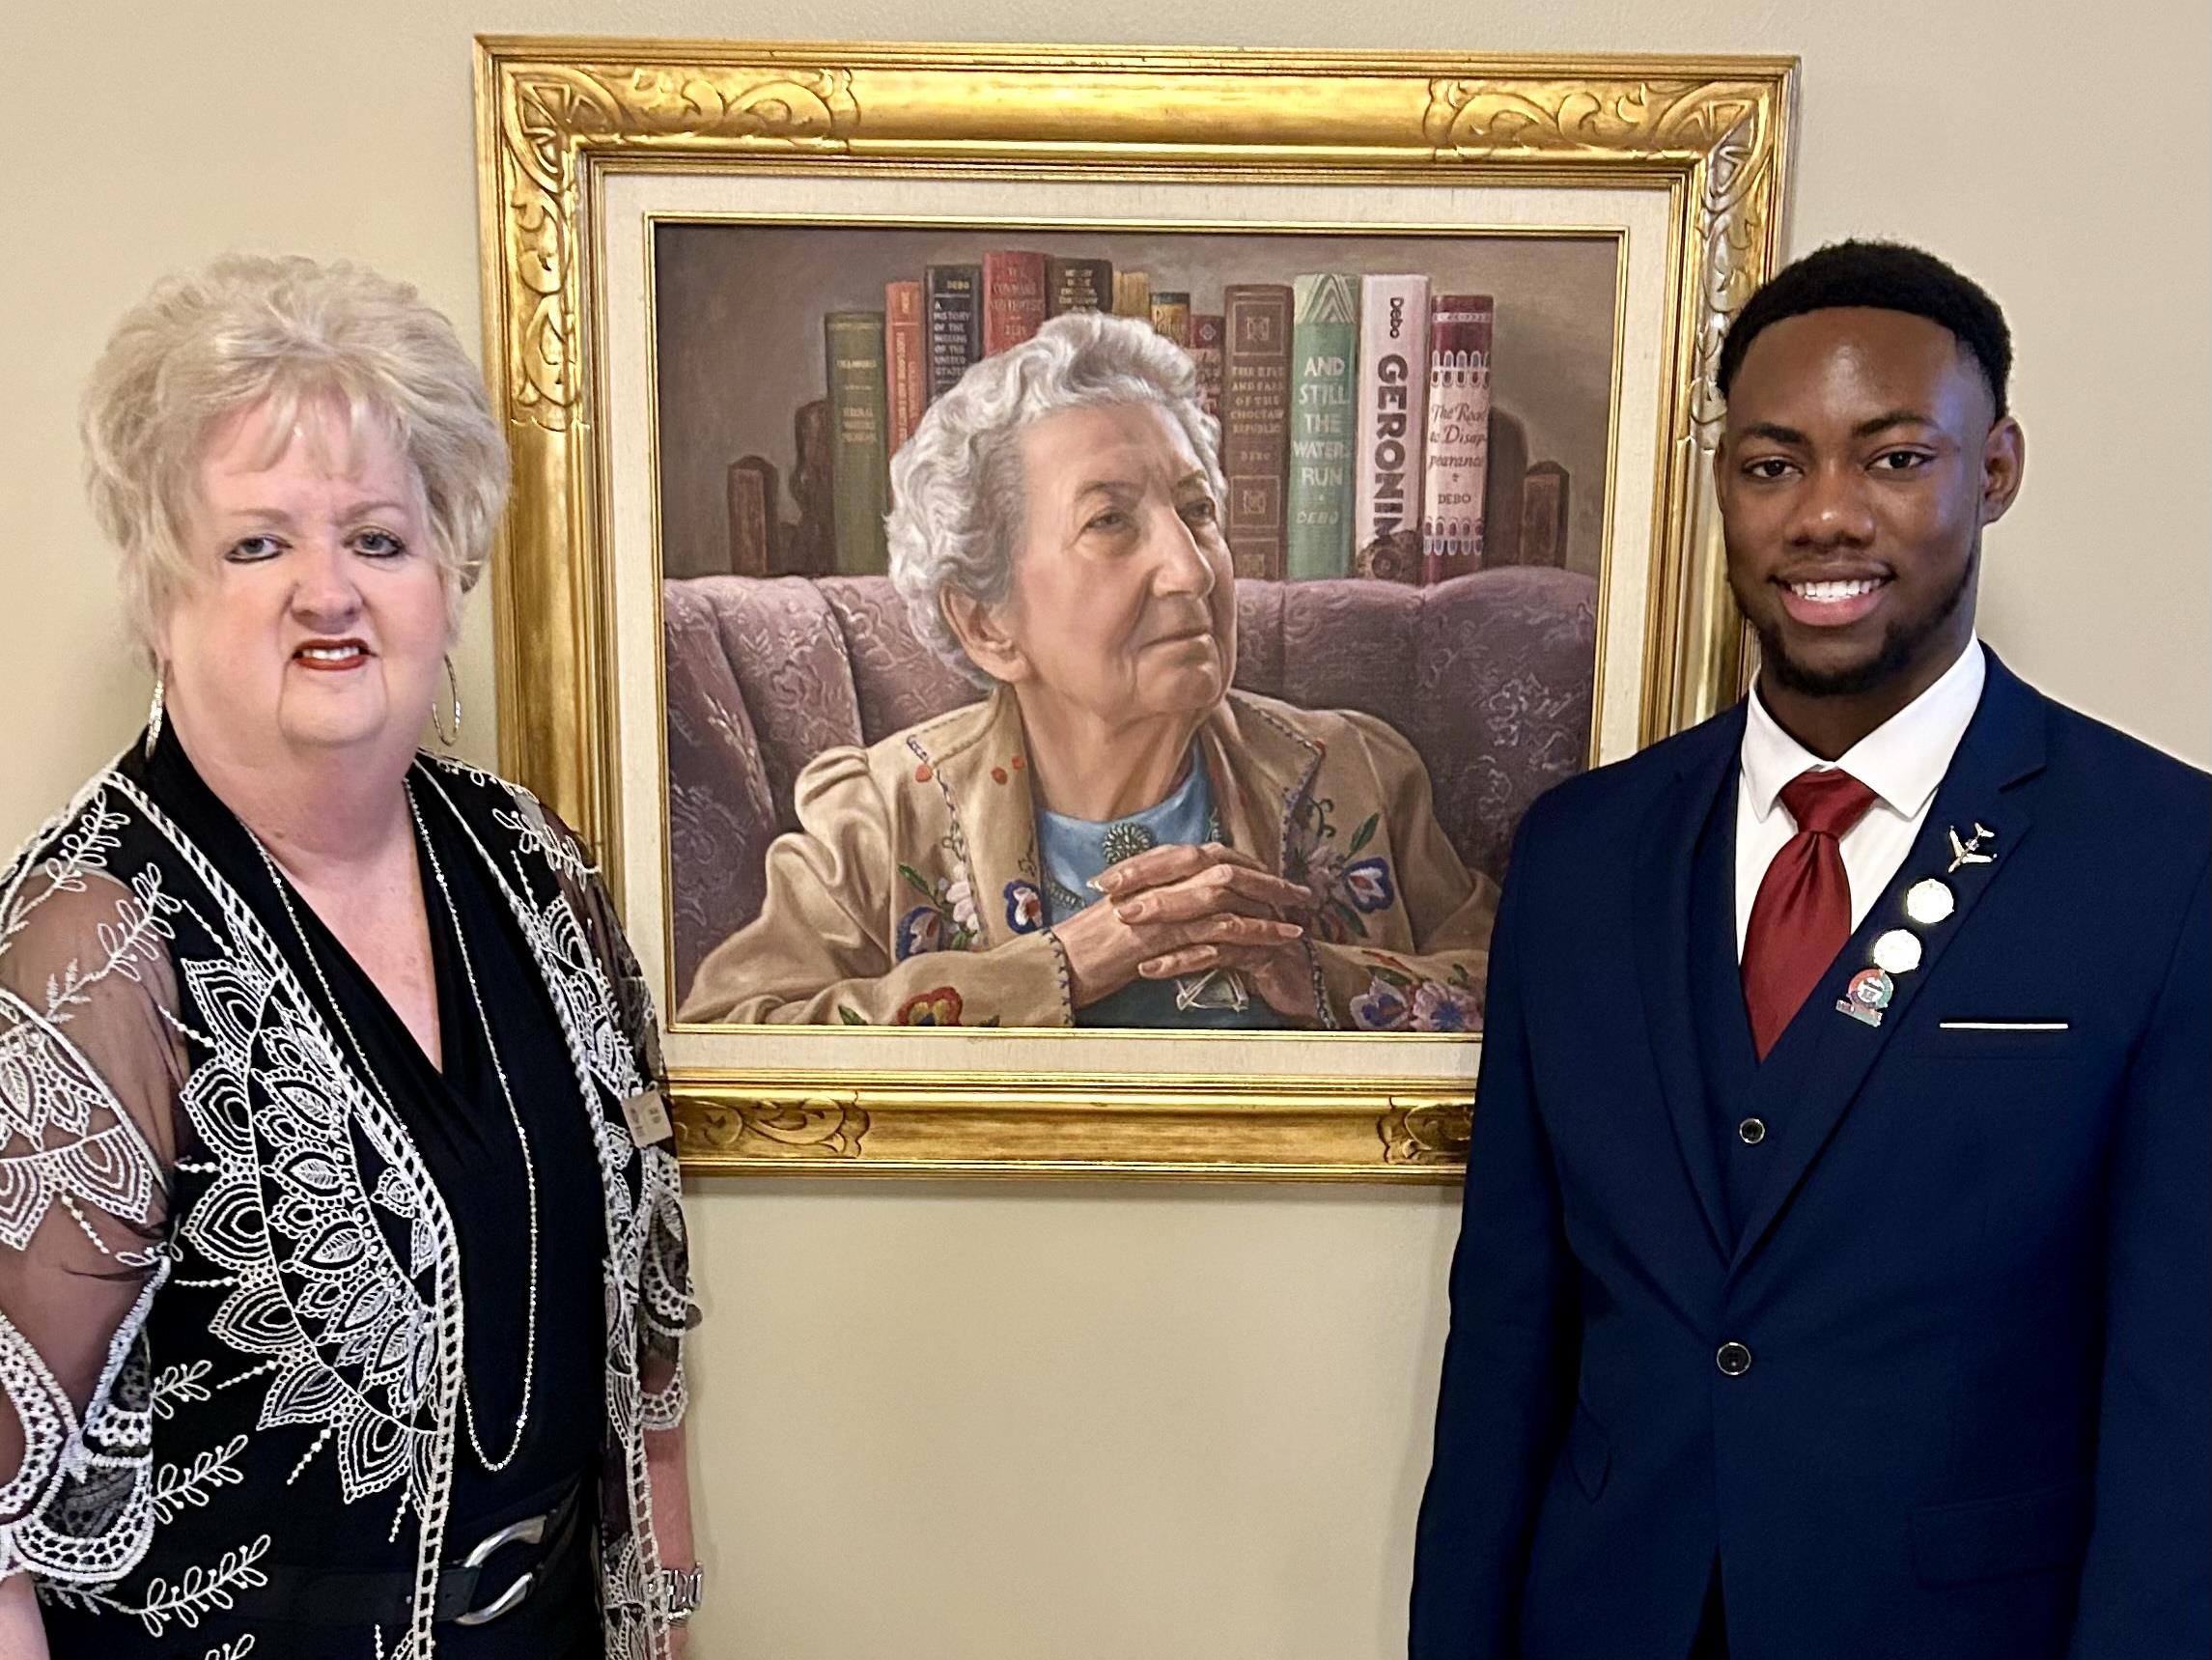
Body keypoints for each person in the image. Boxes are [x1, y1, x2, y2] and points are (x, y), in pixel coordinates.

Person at [1409, 240, 2209, 1659]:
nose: (1825, 516)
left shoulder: (2159, 856)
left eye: (1892, 458)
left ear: (1994, 467)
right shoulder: (1578, 856)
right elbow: (1506, 1342)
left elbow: (2180, 1393)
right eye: (1771, 466)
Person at [0, 256, 703, 1657]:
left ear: (447, 576)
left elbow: (652, 1358)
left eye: (378, 539)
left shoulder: (531, 865)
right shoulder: (97, 946)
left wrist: (671, 1621)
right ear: (161, 594)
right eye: (258, 545)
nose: (328, 592)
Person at [680, 312, 1497, 1030]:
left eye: (1197, 510)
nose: (1189, 568)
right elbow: (731, 1037)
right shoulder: (880, 820)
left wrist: (1312, 976)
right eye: (1109, 520)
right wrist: (1058, 970)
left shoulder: (1357, 774)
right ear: (987, 622)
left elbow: (1522, 989)